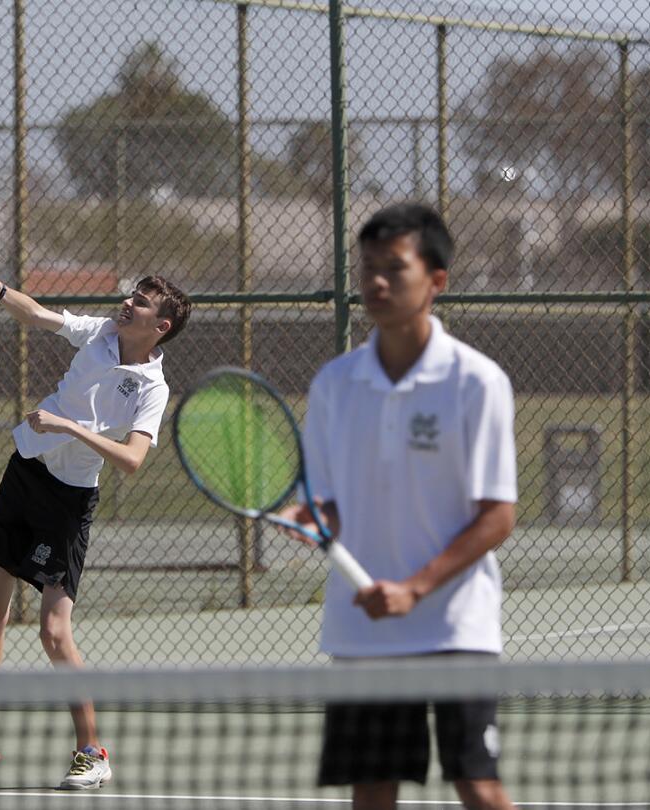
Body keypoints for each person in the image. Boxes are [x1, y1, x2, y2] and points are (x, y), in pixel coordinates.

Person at [278, 203, 518, 810]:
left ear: (437, 280)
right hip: (363, 632)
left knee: (478, 785)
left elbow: (497, 514)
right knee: (373, 792)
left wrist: (414, 588)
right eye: (367, 269)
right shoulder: (335, 383)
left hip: (456, 624)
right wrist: (310, 522)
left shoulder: (476, 381)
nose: (376, 283)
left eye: (395, 268)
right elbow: (322, 504)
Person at [0, 274, 192, 790]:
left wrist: (69, 427)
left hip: (69, 502)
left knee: (53, 631)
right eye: (130, 294)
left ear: (159, 326)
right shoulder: (98, 333)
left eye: (139, 302)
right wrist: (3, 292)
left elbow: (134, 460)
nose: (126, 302)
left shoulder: (152, 389)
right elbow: (39, 315)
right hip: (25, 471)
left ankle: (92, 752)